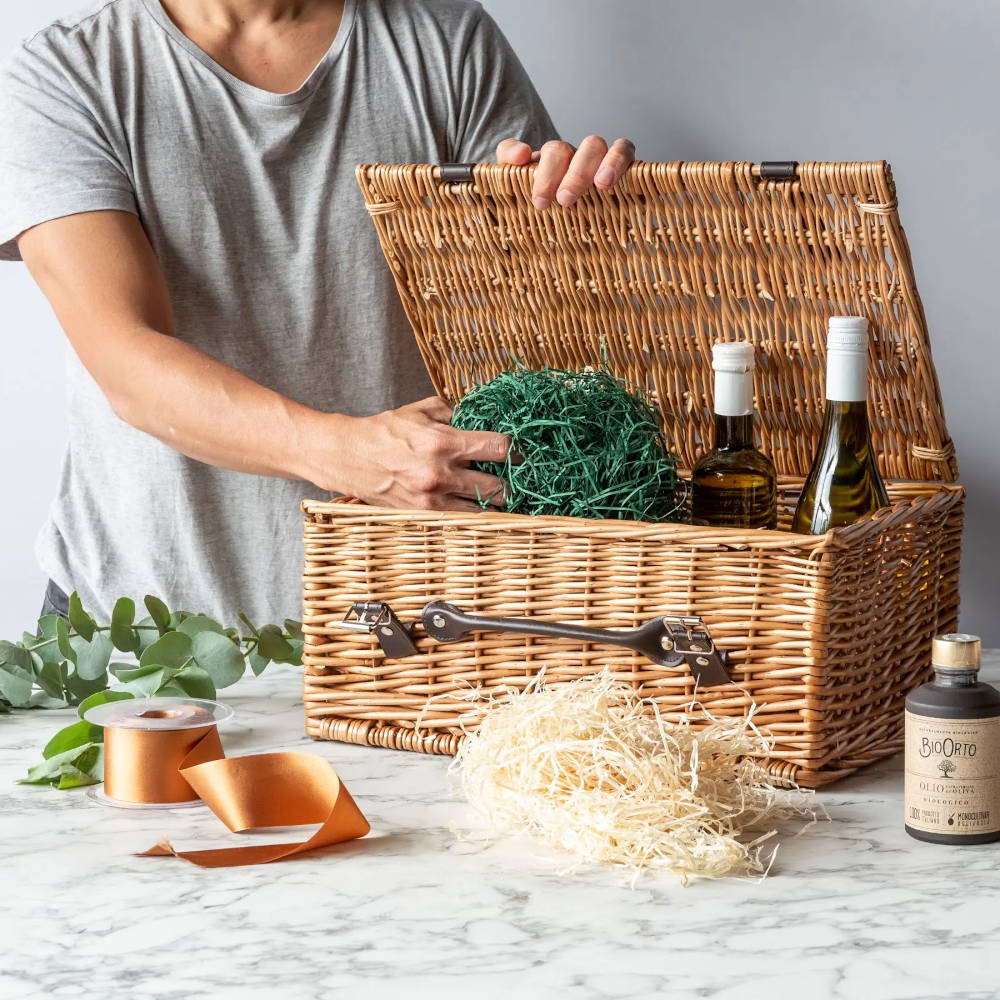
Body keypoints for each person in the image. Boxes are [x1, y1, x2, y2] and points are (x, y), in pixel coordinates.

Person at [0, 0, 635, 625]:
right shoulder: (68, 68)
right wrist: (352, 453)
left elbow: (531, 338)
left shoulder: (448, 41)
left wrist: (574, 217)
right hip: (142, 626)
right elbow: (124, 359)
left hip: (407, 619)